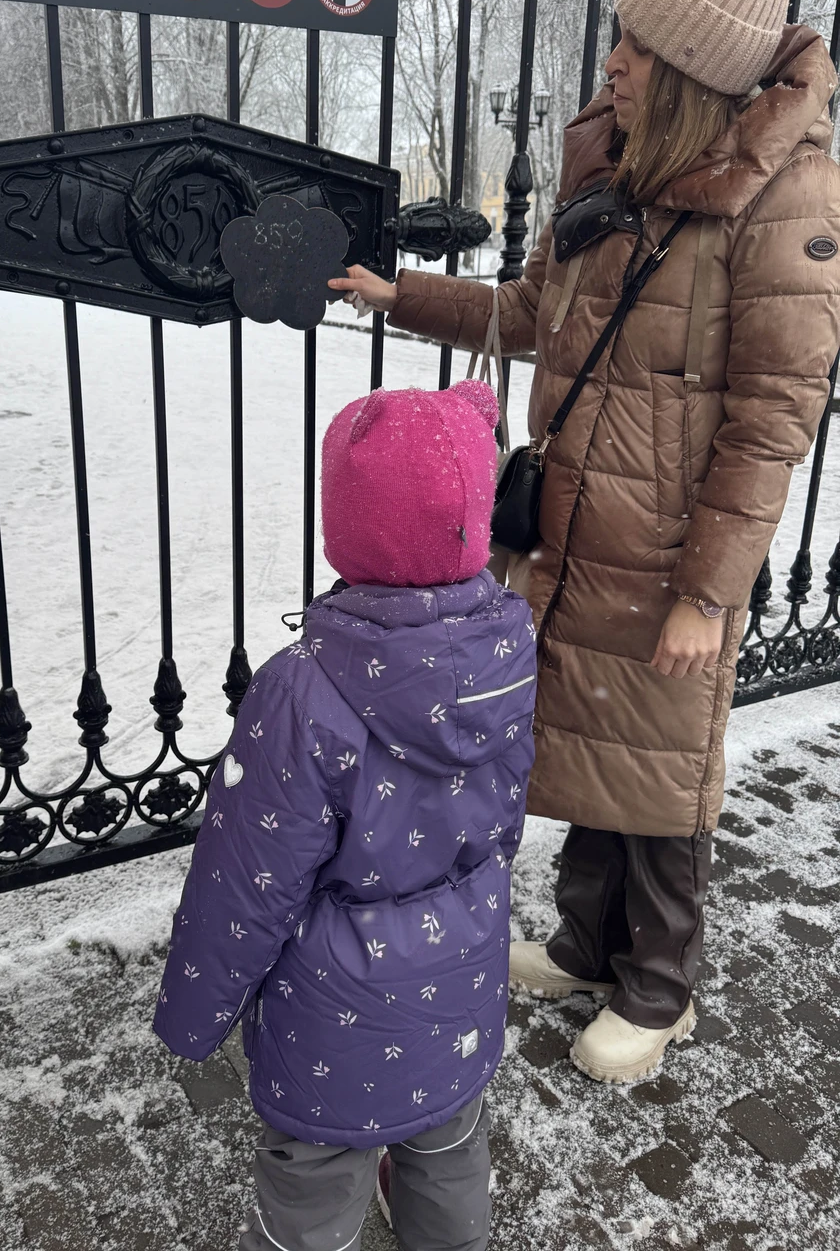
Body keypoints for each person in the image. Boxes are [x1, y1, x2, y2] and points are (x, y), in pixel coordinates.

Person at [330, 0, 840, 1085]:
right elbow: (529, 312)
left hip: (668, 554)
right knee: (591, 754)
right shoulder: (622, 168)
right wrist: (399, 294)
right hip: (577, 530)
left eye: (639, 46)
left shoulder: (788, 204)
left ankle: (660, 995)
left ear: (699, 71)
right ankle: (581, 946)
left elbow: (773, 421)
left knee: (662, 773)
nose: (613, 62)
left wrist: (708, 595)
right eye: (621, 38)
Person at [155, 379, 537, 1251]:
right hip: (462, 981)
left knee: (313, 1192)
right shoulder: (509, 650)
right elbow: (506, 814)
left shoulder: (302, 688)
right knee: (448, 1152)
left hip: (335, 1013)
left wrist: (194, 1010)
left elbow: (246, 878)